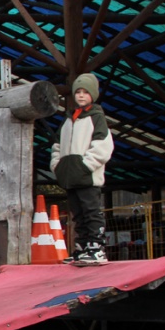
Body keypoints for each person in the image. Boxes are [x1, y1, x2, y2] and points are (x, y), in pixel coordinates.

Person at [50, 72, 114, 265]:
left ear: (93, 95)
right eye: (78, 92)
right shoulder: (68, 119)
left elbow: (103, 146)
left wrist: (85, 165)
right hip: (70, 177)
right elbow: (57, 145)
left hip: (87, 177)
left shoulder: (96, 117)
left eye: (86, 92)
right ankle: (83, 247)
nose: (81, 95)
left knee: (91, 212)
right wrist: (57, 166)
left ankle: (97, 248)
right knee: (77, 214)